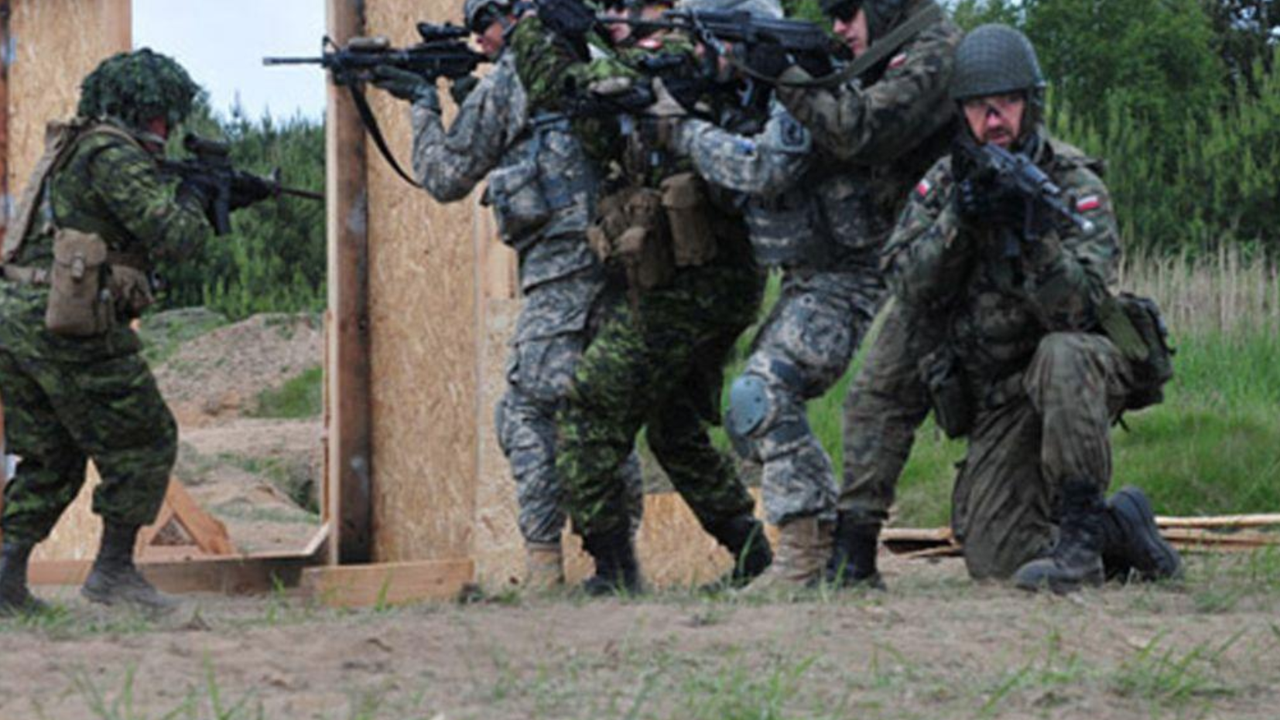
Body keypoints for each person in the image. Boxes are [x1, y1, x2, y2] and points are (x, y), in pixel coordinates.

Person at [880, 24, 1182, 592]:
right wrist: (960, 224)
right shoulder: (949, 182)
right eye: (978, 107)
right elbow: (904, 285)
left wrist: (1035, 236)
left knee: (1063, 353)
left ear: (1032, 103)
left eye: (1008, 104)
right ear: (960, 113)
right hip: (1003, 394)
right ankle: (1122, 531)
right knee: (995, 560)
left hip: (1078, 373)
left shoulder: (1071, 185)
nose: (993, 121)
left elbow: (1081, 313)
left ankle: (1081, 545)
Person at [669, 0, 959, 589]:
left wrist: (683, 130)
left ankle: (800, 557)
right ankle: (824, 542)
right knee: (747, 417)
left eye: (848, 14)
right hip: (807, 276)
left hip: (847, 276)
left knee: (763, 393)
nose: (839, 29)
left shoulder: (801, 83)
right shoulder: (766, 90)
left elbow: (765, 171)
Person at [368, 0, 643, 590]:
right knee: (602, 413)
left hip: (561, 274)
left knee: (526, 412)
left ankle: (544, 570)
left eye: (483, 24)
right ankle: (619, 566)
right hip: (618, 267)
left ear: (515, 15)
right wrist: (466, 86)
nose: (480, 40)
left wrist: (422, 102)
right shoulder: (588, 56)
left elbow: (444, 176)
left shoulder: (521, 71)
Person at [512, 0, 772, 595]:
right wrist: (575, 42)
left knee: (588, 410)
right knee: (673, 428)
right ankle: (754, 555)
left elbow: (559, 86)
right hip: (708, 284)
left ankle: (613, 568)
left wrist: (535, 29)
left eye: (634, 7)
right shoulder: (658, 67)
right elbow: (591, 118)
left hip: (692, 287)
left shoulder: (678, 58)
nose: (620, 16)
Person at [0, 49, 231, 615]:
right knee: (147, 438)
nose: (167, 131)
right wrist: (199, 194)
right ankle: (114, 575)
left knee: (49, 457)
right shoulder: (111, 151)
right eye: (163, 119)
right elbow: (176, 237)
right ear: (147, 110)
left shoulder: (76, 146)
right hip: (64, 323)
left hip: (17, 317)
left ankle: (3, 581)